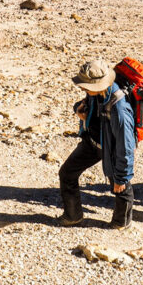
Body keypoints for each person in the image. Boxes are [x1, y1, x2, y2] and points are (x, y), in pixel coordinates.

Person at [58, 60, 136, 229]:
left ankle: (121, 222)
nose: (82, 89)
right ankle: (73, 216)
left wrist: (122, 176)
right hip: (92, 142)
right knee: (67, 173)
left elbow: (126, 147)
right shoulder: (96, 93)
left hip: (112, 149)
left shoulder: (120, 109)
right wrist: (79, 111)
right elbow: (90, 109)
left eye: (86, 86)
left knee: (120, 186)